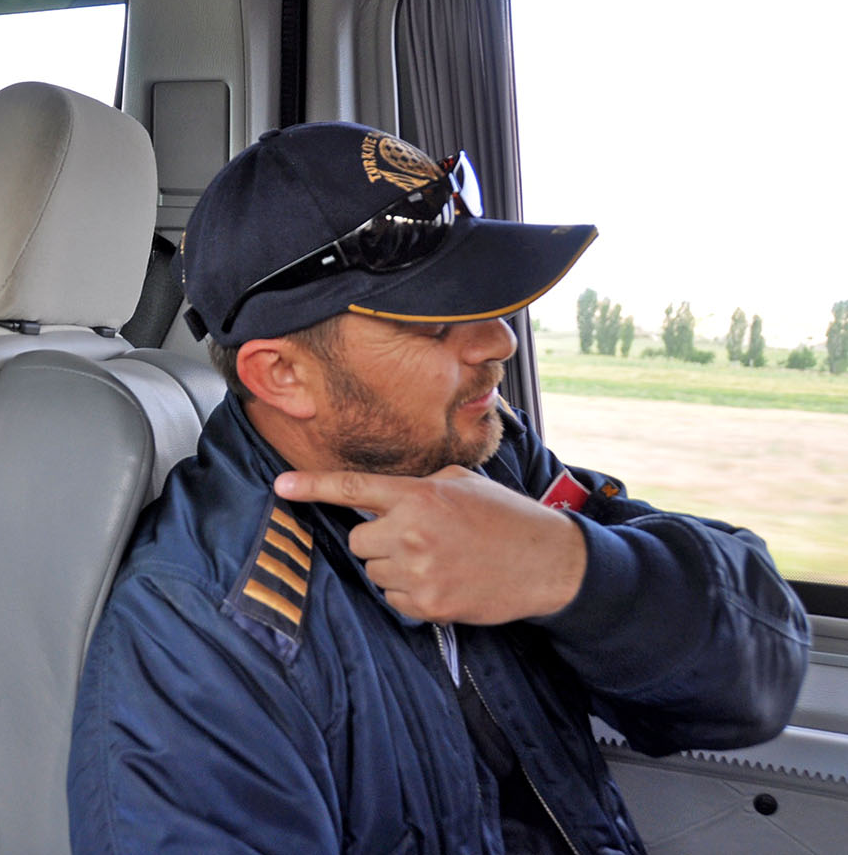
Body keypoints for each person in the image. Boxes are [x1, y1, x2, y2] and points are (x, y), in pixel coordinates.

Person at [67, 121, 810, 853]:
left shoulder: (492, 461)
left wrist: (566, 569)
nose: (500, 341)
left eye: (485, 300)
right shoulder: (203, 631)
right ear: (283, 374)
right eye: (433, 323)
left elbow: (755, 682)